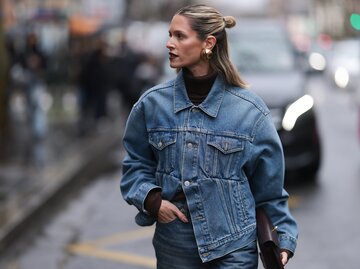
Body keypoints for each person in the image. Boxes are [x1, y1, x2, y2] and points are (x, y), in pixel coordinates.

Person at [120, 4, 298, 269]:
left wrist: (282, 237)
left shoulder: (249, 110)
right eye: (170, 35)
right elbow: (135, 165)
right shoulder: (151, 104)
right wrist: (153, 201)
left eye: (179, 36)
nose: (169, 43)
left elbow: (269, 189)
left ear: (208, 43)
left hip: (235, 242)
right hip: (175, 243)